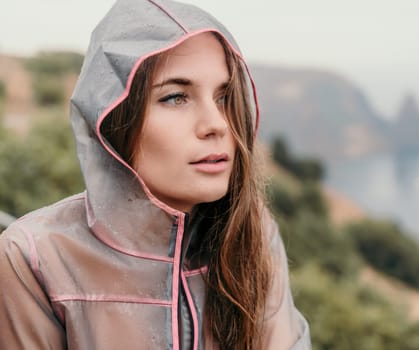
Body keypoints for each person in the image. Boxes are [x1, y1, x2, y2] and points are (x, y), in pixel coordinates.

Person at [0, 0, 311, 349]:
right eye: (176, 97)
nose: (217, 125)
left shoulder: (254, 236)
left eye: (223, 97)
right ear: (114, 121)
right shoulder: (32, 259)